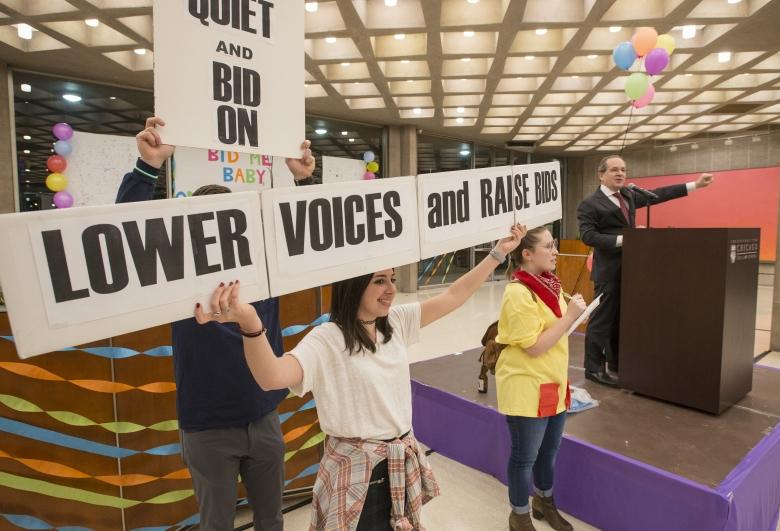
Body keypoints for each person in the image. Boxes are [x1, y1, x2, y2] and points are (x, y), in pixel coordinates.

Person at [193, 224, 527, 530]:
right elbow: (272, 376)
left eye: (393, 279)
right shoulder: (328, 339)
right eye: (379, 280)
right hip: (355, 474)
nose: (391, 289)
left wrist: (498, 253)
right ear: (354, 285)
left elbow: (453, 295)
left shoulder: (396, 322)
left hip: (399, 466)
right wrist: (251, 324)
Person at [116, 117, 315, 531]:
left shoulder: (264, 269)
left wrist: (304, 183)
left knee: (271, 520)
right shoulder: (176, 280)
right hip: (207, 426)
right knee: (217, 525)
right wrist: (146, 168)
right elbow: (126, 238)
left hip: (262, 418)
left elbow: (314, 236)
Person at [576, 155, 713, 387]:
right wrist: (626, 239)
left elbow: (660, 194)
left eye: (623, 169)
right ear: (601, 174)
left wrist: (695, 185)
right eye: (614, 170)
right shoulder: (590, 203)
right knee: (602, 321)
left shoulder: (628, 195)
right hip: (608, 272)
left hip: (632, 270)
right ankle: (593, 368)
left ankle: (616, 363)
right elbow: (588, 237)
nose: (620, 173)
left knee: (620, 320)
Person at [495, 227, 586, 531]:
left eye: (555, 245)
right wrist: (570, 317)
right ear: (527, 254)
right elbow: (534, 346)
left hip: (552, 383)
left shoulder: (550, 284)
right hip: (526, 386)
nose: (555, 251)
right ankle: (519, 515)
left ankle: (544, 502)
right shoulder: (518, 292)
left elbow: (557, 328)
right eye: (549, 246)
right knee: (525, 457)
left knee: (548, 453)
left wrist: (578, 312)